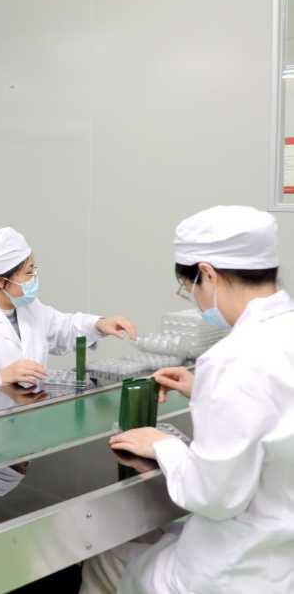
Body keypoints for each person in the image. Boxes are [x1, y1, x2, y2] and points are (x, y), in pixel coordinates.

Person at [81, 205, 294, 594]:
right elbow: (276, 409)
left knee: (105, 558)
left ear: (207, 274)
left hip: (235, 571)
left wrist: (162, 445)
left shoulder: (232, 359)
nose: (195, 300)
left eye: (190, 287)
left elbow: (213, 496)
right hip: (280, 554)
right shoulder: (282, 332)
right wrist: (204, 390)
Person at [0, 227, 136, 398]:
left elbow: (63, 327)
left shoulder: (30, 309)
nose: (34, 277)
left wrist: (98, 324)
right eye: (28, 272)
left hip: (26, 419)